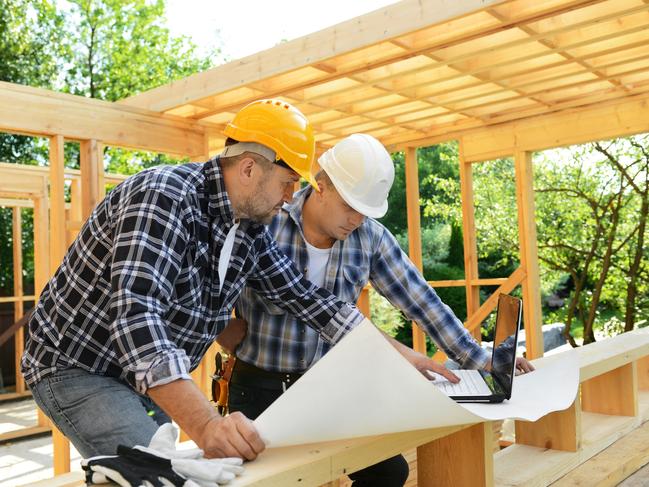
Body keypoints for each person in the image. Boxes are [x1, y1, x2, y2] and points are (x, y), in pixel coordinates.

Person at [21, 99, 372, 461]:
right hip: (80, 366)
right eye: (287, 183)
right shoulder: (164, 197)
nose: (289, 199)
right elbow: (136, 316)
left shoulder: (249, 229)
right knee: (159, 473)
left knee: (144, 474)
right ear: (249, 169)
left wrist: (404, 359)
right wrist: (206, 426)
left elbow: (304, 297)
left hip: (143, 376)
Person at [220, 133, 534, 487]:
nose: (357, 219)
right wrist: (219, 329)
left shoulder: (370, 237)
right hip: (260, 388)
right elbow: (208, 282)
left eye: (365, 211)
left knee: (389, 473)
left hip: (330, 387)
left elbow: (422, 301)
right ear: (322, 185)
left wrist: (478, 358)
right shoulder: (268, 221)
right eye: (351, 206)